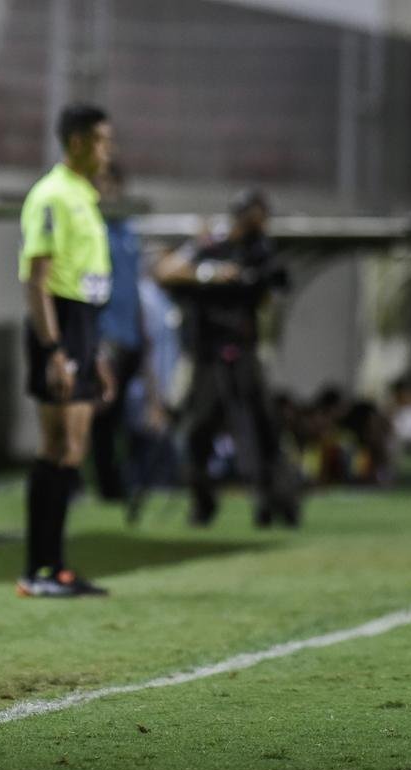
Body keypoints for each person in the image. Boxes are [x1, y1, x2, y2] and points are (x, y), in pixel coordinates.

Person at [154, 189, 298, 528]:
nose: (255, 225)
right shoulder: (211, 248)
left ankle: (274, 503)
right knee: (199, 431)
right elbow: (166, 270)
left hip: (244, 353)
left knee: (261, 430)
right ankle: (202, 501)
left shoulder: (262, 253)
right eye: (250, 217)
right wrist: (212, 274)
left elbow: (274, 284)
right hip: (207, 356)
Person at [17, 103, 115, 597]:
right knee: (58, 446)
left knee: (71, 448)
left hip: (83, 326)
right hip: (60, 323)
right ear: (76, 141)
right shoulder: (52, 195)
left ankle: (54, 568)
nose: (107, 150)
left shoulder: (85, 196)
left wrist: (94, 354)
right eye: (101, 140)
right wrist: (54, 348)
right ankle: (40, 570)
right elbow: (38, 281)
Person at [89, 160, 165, 503]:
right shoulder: (93, 228)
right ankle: (104, 485)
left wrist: (143, 330)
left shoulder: (130, 229)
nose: (110, 191)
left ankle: (126, 480)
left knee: (125, 416)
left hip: (131, 336)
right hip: (105, 337)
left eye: (114, 184)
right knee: (102, 416)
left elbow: (134, 286)